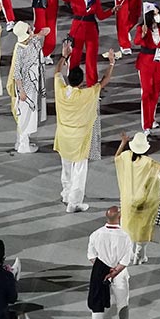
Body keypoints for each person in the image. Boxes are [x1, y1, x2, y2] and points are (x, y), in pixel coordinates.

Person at [54, 41, 116, 213]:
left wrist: (64, 56)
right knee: (80, 170)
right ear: (82, 82)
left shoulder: (60, 89)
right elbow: (104, 81)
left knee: (66, 166)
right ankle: (74, 202)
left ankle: (66, 194)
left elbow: (57, 72)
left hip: (63, 136)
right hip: (80, 139)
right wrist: (111, 63)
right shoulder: (87, 94)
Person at [115, 133, 160, 263]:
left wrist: (123, 143)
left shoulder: (126, 156)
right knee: (143, 227)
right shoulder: (149, 163)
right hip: (145, 202)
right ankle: (140, 255)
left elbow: (116, 157)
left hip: (128, 201)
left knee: (129, 227)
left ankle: (130, 254)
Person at [87, 207, 135, 319]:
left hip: (100, 271)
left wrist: (104, 268)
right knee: (122, 300)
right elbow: (125, 260)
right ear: (119, 218)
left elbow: (92, 256)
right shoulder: (125, 237)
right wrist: (114, 271)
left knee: (97, 298)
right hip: (120, 273)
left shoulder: (95, 234)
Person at [62, 0, 114, 87]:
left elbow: (100, 15)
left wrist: (112, 11)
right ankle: (73, 85)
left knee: (91, 60)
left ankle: (92, 87)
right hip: (77, 29)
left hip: (91, 30)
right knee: (74, 57)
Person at [9, 22, 50, 153]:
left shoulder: (28, 42)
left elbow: (35, 39)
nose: (32, 30)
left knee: (27, 115)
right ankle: (23, 145)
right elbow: (17, 73)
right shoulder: (20, 50)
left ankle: (21, 141)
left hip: (32, 87)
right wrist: (21, 91)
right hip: (25, 90)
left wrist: (41, 34)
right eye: (29, 29)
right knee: (25, 116)